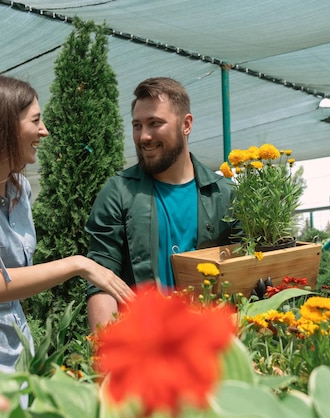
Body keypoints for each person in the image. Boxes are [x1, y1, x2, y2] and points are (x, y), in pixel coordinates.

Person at [0, 74, 134, 374]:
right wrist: (79, 264)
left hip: (18, 354)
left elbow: (16, 280)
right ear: (3, 127)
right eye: (35, 120)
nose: (45, 131)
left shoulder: (19, 191)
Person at [85, 77, 237, 331]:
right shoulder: (120, 192)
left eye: (155, 123)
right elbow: (103, 280)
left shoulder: (223, 196)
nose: (144, 136)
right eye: (137, 125)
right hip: (144, 344)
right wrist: (107, 352)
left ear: (186, 124)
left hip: (209, 343)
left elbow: (243, 275)